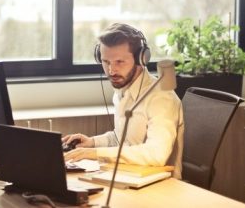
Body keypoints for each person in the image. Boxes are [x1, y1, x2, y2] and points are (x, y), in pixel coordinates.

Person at [63, 23, 184, 178]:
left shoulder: (161, 97)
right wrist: (92, 142)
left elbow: (156, 154)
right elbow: (123, 139)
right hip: (128, 175)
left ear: (141, 58)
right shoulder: (122, 90)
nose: (111, 71)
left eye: (119, 62)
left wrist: (94, 153)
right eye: (106, 62)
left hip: (160, 186)